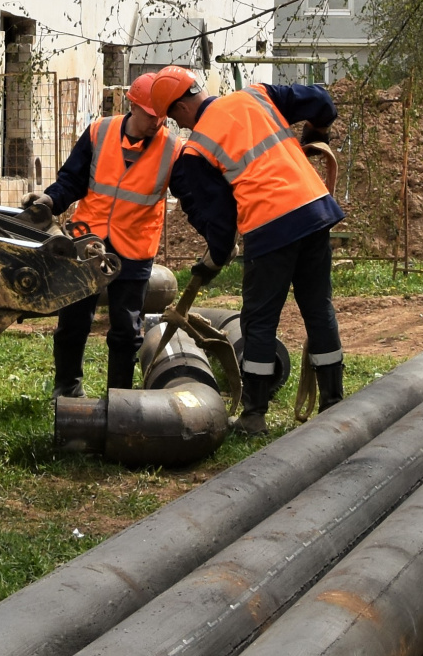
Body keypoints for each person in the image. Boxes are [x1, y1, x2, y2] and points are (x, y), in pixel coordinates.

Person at [146, 65, 343, 435]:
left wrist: (211, 261)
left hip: (271, 227)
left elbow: (222, 224)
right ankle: (333, 401)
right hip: (315, 211)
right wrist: (318, 133)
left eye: (173, 117)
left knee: (259, 321)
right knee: (318, 307)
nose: (178, 124)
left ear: (180, 109)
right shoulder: (256, 94)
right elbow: (321, 100)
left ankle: (254, 414)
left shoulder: (197, 149)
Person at [21, 72, 182, 397]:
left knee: (126, 330)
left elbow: (195, 195)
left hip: (134, 251)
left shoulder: (173, 149)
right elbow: (72, 179)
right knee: (72, 323)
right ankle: (66, 391)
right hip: (86, 242)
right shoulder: (99, 132)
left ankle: (119, 400)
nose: (157, 122)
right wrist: (50, 201)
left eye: (162, 115)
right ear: (132, 105)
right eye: (151, 115)